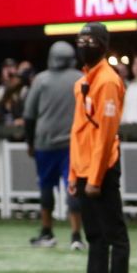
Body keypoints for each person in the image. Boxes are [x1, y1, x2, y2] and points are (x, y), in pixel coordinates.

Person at [69, 23, 131, 273]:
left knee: (114, 235)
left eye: (90, 40)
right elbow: (78, 131)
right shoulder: (84, 82)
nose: (84, 44)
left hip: (101, 169)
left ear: (103, 45)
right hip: (84, 169)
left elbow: (106, 135)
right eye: (81, 40)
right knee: (95, 236)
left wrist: (94, 178)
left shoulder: (106, 81)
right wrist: (73, 174)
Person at [23, 41, 84, 249]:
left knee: (46, 187)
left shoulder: (41, 80)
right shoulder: (80, 78)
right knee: (73, 187)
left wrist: (29, 141)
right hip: (72, 143)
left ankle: (47, 232)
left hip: (45, 142)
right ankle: (76, 235)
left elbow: (29, 115)